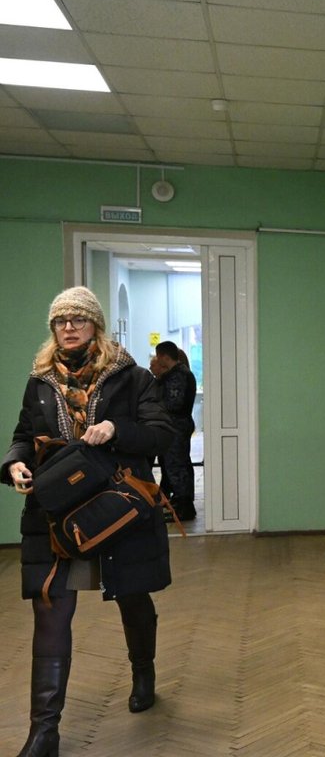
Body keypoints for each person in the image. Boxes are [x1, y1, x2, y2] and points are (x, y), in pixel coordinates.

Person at [2, 286, 175, 757]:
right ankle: (44, 732)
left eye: (78, 319)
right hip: (56, 513)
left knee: (132, 597)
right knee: (50, 609)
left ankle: (143, 671)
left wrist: (117, 429)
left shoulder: (132, 376)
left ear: (95, 325)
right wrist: (15, 463)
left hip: (118, 509)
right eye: (61, 321)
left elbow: (163, 433)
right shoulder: (40, 381)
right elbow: (24, 435)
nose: (69, 327)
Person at [150, 340, 197, 521]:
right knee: (176, 465)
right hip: (174, 426)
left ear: (164, 356)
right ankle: (179, 502)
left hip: (176, 427)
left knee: (177, 466)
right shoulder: (175, 374)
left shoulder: (179, 375)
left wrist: (155, 407)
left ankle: (184, 507)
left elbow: (174, 403)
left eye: (158, 356)